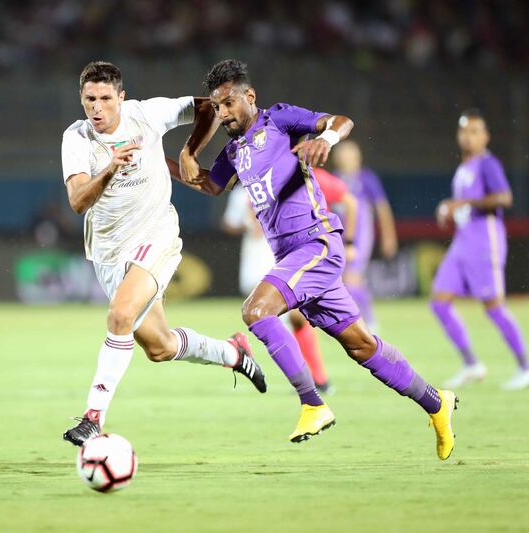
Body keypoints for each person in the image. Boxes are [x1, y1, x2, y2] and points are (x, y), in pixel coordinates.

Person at [179, 59, 456, 460]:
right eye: (216, 108)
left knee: (256, 311)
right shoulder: (234, 151)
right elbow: (209, 185)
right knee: (361, 346)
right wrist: (166, 164)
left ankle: (312, 403)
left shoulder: (278, 120)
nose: (221, 114)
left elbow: (341, 121)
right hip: (293, 255)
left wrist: (328, 138)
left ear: (249, 97)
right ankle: (436, 403)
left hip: (316, 244)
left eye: (227, 104)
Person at [60, 61, 267, 446]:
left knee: (120, 315)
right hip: (108, 252)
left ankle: (93, 418)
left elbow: (207, 106)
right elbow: (77, 201)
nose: (98, 108)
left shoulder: (146, 114)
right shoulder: (77, 139)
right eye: (90, 99)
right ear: (82, 100)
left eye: (106, 98)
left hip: (155, 235)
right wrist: (108, 170)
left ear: (121, 98)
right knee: (159, 346)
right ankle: (232, 353)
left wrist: (190, 151)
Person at [221, 168, 358, 393]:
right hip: (263, 256)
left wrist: (349, 242)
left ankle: (314, 378)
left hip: (302, 255)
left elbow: (349, 201)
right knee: (291, 317)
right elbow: (233, 220)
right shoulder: (250, 184)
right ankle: (312, 379)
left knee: (300, 317)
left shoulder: (307, 175)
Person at [431, 109, 529, 390]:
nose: (468, 137)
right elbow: (464, 205)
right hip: (462, 241)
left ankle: (527, 368)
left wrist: (462, 205)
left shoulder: (487, 163)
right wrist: (452, 211)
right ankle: (471, 364)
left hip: (484, 240)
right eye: (464, 131)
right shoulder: (463, 168)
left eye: (475, 131)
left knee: (493, 307)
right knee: (440, 301)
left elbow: (504, 197)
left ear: (486, 136)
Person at [332, 140, 398, 332]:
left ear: (358, 157)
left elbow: (382, 209)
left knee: (351, 278)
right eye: (343, 154)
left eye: (350, 154)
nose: (347, 158)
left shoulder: (367, 178)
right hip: (341, 235)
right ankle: (359, 320)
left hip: (361, 236)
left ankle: (369, 322)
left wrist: (389, 236)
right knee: (345, 280)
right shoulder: (334, 178)